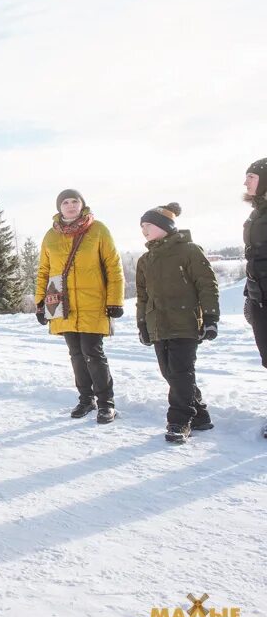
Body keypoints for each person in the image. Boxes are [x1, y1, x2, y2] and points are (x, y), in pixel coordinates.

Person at [35, 189, 125, 424]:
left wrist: (115, 300)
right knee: (76, 354)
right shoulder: (50, 236)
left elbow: (113, 266)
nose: (70, 205)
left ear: (82, 204)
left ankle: (107, 403)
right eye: (65, 202)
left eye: (75, 201)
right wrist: (39, 303)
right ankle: (86, 399)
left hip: (93, 301)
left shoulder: (98, 229)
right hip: (61, 303)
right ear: (59, 207)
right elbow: (44, 271)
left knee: (93, 353)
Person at [136, 203, 219, 443]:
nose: (144, 230)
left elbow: (207, 285)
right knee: (170, 373)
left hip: (185, 321)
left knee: (181, 372)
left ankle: (179, 421)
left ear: (164, 226)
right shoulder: (145, 260)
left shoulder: (189, 251)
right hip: (157, 324)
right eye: (142, 226)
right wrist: (142, 323)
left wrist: (211, 317)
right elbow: (143, 296)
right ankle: (200, 415)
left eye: (148, 225)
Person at [241, 157, 267, 438]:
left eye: (251, 176)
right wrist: (250, 293)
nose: (246, 182)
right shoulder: (257, 212)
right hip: (260, 296)